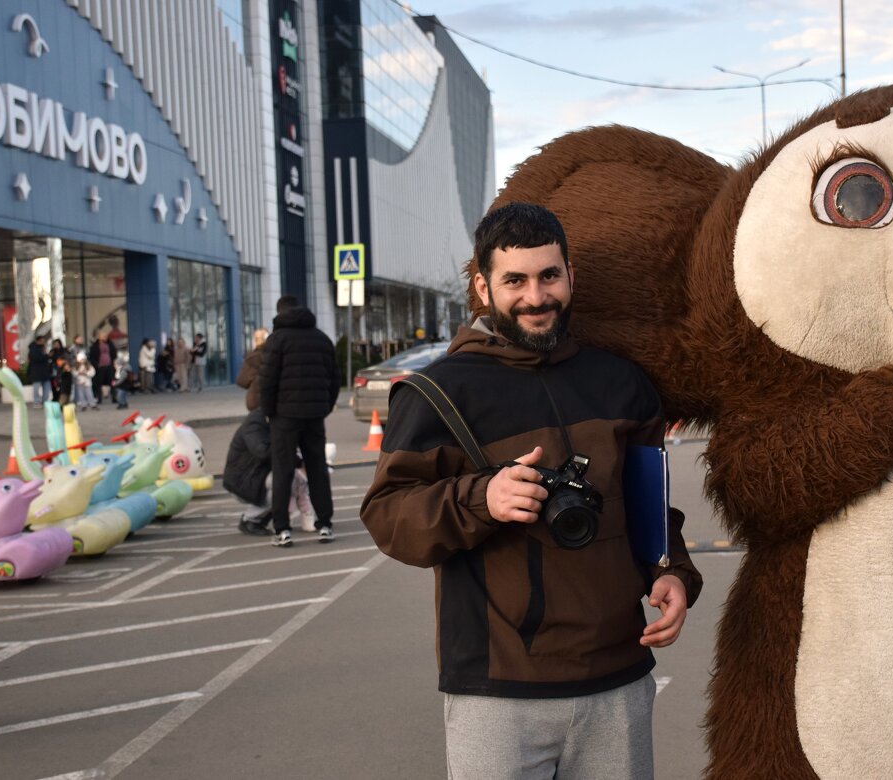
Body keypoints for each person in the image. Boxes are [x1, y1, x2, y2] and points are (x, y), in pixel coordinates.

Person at [360, 203, 703, 779]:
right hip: (497, 689)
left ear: (571, 275)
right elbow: (388, 516)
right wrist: (481, 499)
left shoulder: (621, 383)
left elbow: (647, 504)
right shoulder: (438, 393)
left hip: (616, 679)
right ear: (482, 286)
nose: (535, 296)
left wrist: (672, 571)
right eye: (514, 281)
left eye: (549, 276)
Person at [259, 296, 339, 547]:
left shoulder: (277, 340)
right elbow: (334, 377)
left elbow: (267, 380)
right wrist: (324, 407)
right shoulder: (321, 339)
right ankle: (324, 523)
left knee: (282, 470)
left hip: (284, 416)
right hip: (315, 415)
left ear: (279, 312)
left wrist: (268, 411)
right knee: (317, 468)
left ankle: (282, 528)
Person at [223, 408, 317, 536]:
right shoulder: (254, 424)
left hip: (257, 474)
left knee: (293, 479)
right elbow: (263, 451)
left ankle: (271, 515)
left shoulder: (273, 420)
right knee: (284, 482)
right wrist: (297, 460)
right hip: (244, 479)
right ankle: (250, 520)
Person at [236, 328, 270, 411]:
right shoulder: (273, 355)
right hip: (272, 399)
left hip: (254, 400)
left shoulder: (252, 358)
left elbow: (242, 381)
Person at [88, 330, 116, 405]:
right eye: (103, 336)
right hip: (100, 367)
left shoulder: (110, 344)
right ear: (99, 337)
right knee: (99, 383)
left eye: (106, 336)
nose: (105, 337)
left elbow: (114, 353)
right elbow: (92, 356)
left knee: (113, 382)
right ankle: (99, 397)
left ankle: (114, 396)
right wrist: (96, 364)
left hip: (109, 366)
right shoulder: (95, 345)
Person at [26, 335, 52, 408]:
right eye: (42, 340)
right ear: (38, 341)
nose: (44, 342)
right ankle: (37, 402)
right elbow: (36, 358)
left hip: (45, 372)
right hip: (36, 372)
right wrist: (46, 356)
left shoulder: (43, 348)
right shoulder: (33, 349)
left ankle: (44, 401)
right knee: (36, 388)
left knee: (47, 388)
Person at [49, 338, 71, 405]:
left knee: (62, 386)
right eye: (55, 344)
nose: (56, 345)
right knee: (54, 385)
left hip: (62, 371)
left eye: (57, 344)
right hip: (54, 370)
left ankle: (63, 400)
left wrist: (64, 364)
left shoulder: (64, 351)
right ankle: (55, 398)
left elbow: (67, 359)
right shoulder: (52, 351)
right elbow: (50, 359)